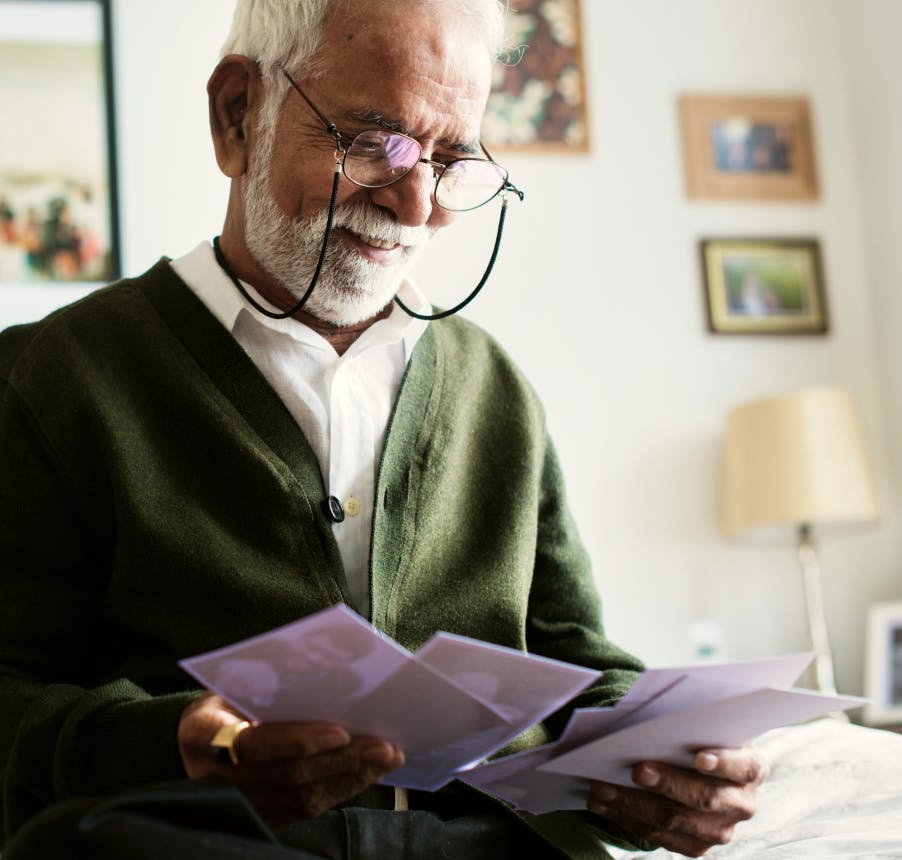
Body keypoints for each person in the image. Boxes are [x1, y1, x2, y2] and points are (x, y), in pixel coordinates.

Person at [0, 1, 768, 857]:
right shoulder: (54, 380)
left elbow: (573, 666)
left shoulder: (494, 391)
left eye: (451, 158)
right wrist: (177, 747)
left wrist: (666, 766)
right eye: (373, 142)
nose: (418, 205)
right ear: (237, 115)